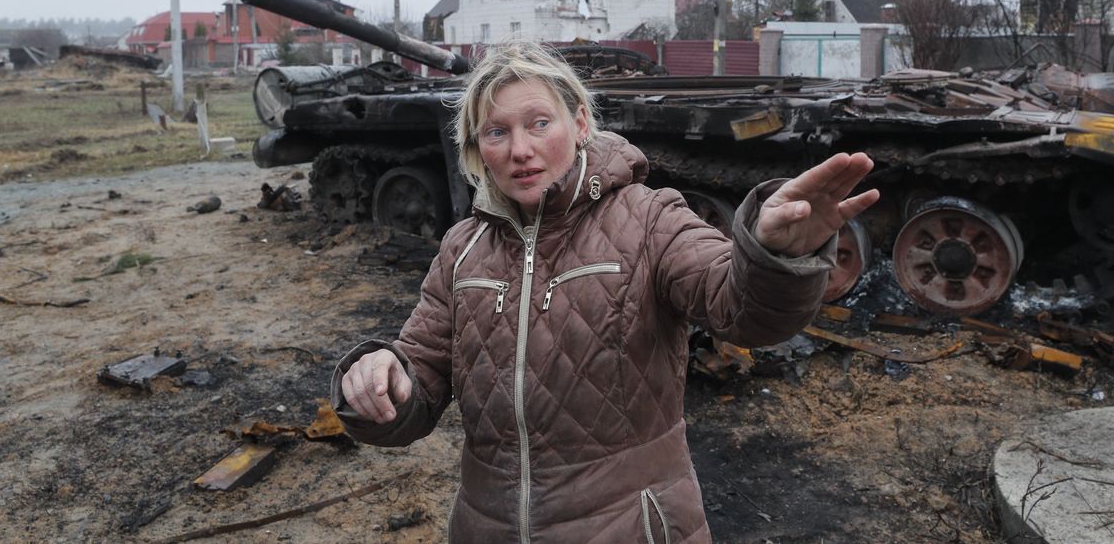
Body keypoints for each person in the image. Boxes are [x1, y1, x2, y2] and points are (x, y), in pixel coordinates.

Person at [332, 40, 879, 543]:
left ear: (581, 122)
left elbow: (739, 307)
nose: (520, 149)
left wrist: (774, 257)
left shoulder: (648, 219)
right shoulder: (463, 247)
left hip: (630, 524)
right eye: (496, 132)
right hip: (488, 525)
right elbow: (421, 374)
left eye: (539, 122)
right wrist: (383, 381)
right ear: (477, 148)